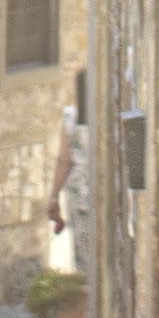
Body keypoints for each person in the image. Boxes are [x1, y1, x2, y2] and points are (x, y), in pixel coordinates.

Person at [46, 65, 89, 280]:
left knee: (84, 253)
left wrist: (53, 198)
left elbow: (64, 161)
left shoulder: (71, 118)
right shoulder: (111, 115)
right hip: (106, 190)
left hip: (79, 192)